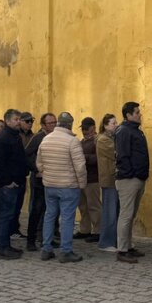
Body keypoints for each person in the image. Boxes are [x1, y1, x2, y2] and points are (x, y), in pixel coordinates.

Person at [36, 112, 87, 262]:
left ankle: (46, 249)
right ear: (70, 124)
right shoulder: (72, 141)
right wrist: (82, 183)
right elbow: (80, 166)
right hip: (68, 186)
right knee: (67, 218)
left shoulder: (46, 139)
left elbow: (39, 163)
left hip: (49, 185)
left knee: (49, 216)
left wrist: (46, 174)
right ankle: (66, 251)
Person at [114, 101, 149, 263]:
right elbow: (122, 156)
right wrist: (132, 174)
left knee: (131, 215)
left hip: (138, 177)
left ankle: (128, 245)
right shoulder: (124, 131)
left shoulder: (135, 131)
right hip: (129, 179)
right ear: (128, 115)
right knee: (126, 215)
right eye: (136, 112)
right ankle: (121, 249)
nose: (139, 114)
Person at [0, 110, 29, 258]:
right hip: (8, 185)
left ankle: (6, 245)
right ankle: (2, 248)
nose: (18, 121)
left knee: (10, 215)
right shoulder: (4, 137)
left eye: (19, 119)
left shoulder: (14, 136)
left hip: (16, 182)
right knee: (5, 216)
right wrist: (7, 181)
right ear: (7, 121)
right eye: (15, 119)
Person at [24, 112, 56, 250]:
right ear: (43, 125)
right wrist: (36, 169)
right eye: (50, 123)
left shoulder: (55, 137)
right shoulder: (38, 137)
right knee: (37, 210)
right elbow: (26, 155)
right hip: (39, 181)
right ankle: (31, 240)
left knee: (51, 211)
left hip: (52, 180)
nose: (53, 125)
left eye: (55, 122)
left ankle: (47, 238)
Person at [95, 113, 120, 251]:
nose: (116, 125)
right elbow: (116, 152)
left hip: (114, 179)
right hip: (109, 179)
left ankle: (115, 240)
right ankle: (106, 242)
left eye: (116, 123)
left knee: (115, 211)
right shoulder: (103, 140)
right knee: (109, 212)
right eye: (113, 123)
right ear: (105, 125)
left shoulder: (111, 138)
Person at [76, 117, 101, 241]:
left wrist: (83, 157)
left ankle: (98, 231)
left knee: (94, 206)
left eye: (87, 129)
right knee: (83, 206)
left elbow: (98, 159)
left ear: (93, 128)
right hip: (82, 178)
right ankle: (84, 229)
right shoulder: (81, 141)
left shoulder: (97, 141)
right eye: (83, 129)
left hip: (93, 178)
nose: (85, 131)